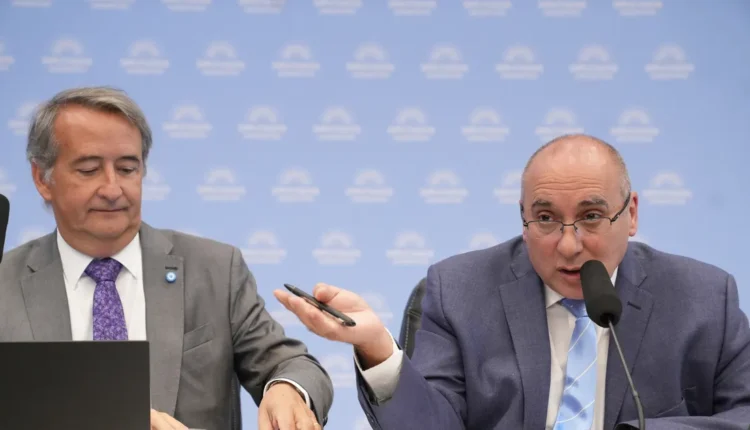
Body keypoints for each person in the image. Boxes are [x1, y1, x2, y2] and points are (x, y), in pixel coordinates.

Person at [275, 134, 750, 429]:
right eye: (546, 219)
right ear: (523, 220)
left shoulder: (705, 299)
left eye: (591, 216)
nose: (569, 245)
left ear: (632, 215)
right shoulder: (458, 291)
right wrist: (379, 350)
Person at [0, 86, 333, 430]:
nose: (112, 189)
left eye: (127, 169)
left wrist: (286, 389)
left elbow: (292, 364)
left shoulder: (215, 270)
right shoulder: (4, 283)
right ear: (42, 178)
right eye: (89, 170)